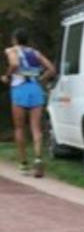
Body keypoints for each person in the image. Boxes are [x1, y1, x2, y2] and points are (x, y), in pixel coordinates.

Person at [2, 28, 57, 178]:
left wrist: (7, 76)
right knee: (36, 128)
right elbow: (51, 69)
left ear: (14, 39)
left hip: (19, 89)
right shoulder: (35, 52)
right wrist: (41, 79)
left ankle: (23, 163)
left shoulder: (11, 51)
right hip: (35, 89)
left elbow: (14, 64)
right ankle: (38, 159)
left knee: (19, 128)